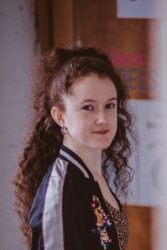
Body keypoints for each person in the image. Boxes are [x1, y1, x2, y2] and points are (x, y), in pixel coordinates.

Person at [13, 45, 134, 250]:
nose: (103, 119)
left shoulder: (90, 173)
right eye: (88, 107)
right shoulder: (61, 191)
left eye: (110, 105)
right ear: (60, 116)